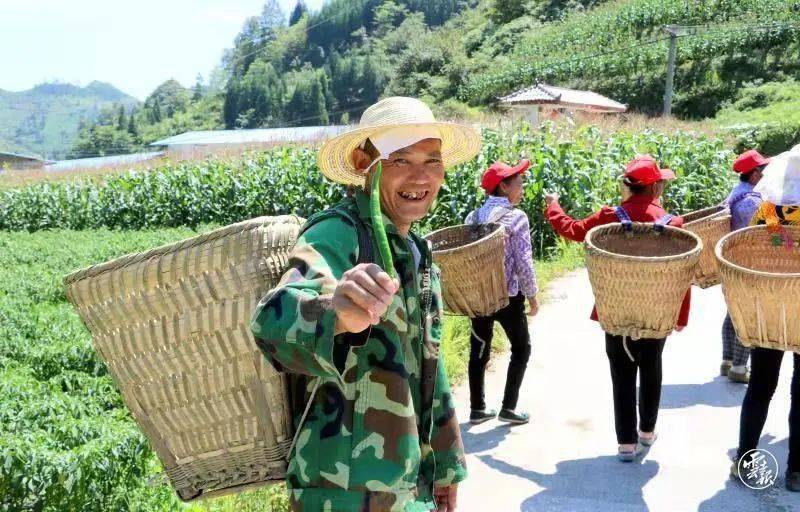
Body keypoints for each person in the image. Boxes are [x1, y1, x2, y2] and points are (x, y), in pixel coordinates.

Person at [250, 97, 482, 511]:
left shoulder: (417, 251)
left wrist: (445, 467)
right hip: (343, 490)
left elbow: (430, 365)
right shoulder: (339, 233)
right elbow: (272, 319)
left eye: (432, 161)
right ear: (363, 163)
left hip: (409, 485)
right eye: (401, 160)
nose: (420, 176)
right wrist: (335, 313)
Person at [544, 154, 690, 462]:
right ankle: (647, 432)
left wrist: (552, 206)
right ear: (655, 189)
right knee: (652, 369)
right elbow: (683, 273)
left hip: (617, 311)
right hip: (656, 310)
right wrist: (680, 315)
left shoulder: (611, 216)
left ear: (629, 186)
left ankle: (626, 444)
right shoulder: (673, 224)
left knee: (622, 374)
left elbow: (571, 229)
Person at [732, 149, 800, 492]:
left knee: (760, 386)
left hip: (769, 311)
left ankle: (745, 459)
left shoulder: (769, 213)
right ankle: (796, 472)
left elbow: (750, 251)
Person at [464, 159, 539, 426]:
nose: (522, 188)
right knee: (521, 348)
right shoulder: (516, 218)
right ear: (504, 186)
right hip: (508, 298)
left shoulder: (471, 218)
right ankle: (509, 407)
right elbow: (524, 261)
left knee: (479, 349)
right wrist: (532, 295)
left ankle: (477, 409)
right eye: (519, 183)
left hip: (479, 297)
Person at [720, 149, 769, 384]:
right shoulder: (752, 200)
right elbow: (764, 232)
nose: (765, 174)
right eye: (763, 170)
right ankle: (740, 368)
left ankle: (728, 361)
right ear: (753, 174)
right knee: (747, 314)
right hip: (747, 262)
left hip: (732, 260)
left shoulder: (736, 193)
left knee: (732, 311)